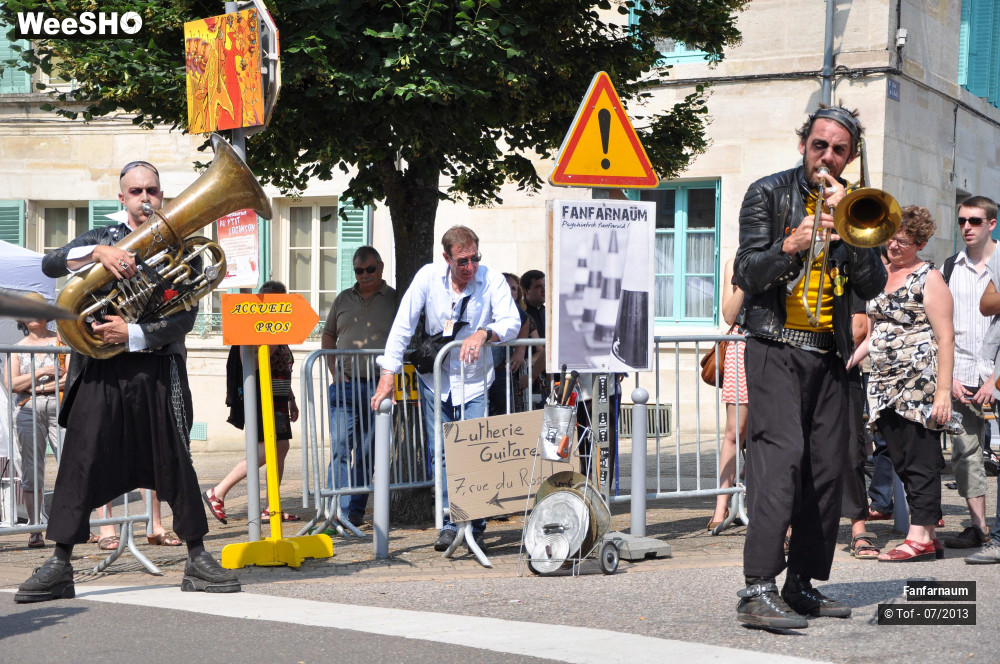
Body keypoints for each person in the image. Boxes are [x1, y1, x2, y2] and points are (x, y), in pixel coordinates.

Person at [15, 159, 239, 604]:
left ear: (161, 195)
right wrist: (99, 255)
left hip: (156, 367)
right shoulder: (102, 236)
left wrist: (132, 332)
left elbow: (185, 317)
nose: (144, 199)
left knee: (175, 457)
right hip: (101, 370)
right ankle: (60, 562)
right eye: (135, 192)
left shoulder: (180, 248)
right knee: (80, 457)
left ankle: (196, 555)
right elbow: (50, 263)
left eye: (151, 191)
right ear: (122, 198)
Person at [732, 104, 887, 629]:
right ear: (804, 145)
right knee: (781, 462)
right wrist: (790, 243)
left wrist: (854, 232)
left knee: (826, 470)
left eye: (838, 149)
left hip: (830, 354)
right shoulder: (767, 193)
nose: (827, 156)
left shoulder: (854, 205)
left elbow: (871, 286)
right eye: (819, 145)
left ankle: (801, 584)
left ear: (850, 157)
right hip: (775, 347)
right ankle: (757, 588)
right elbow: (747, 271)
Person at [370, 226, 520, 552]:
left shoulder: (491, 280)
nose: (470, 267)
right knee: (440, 453)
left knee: (474, 455)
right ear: (446, 258)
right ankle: (452, 521)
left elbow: (512, 321)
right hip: (436, 382)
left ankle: (473, 525)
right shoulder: (427, 277)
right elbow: (403, 325)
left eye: (475, 259)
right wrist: (388, 374)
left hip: (475, 383)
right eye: (462, 261)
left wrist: (485, 333)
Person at [847, 206, 959, 563]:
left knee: (920, 457)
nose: (894, 246)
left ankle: (919, 536)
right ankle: (927, 534)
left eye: (904, 242)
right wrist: (852, 356)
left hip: (919, 382)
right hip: (883, 382)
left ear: (921, 244)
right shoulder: (879, 273)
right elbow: (877, 326)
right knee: (899, 457)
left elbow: (946, 337)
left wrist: (943, 392)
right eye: (891, 238)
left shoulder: (929, 277)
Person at [205, 281, 300, 525]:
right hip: (259, 398)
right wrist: (272, 342)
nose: (278, 306)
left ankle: (272, 506)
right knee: (264, 450)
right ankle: (218, 491)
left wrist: (291, 398)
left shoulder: (279, 327)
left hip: (278, 398)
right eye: (272, 301)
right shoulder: (254, 328)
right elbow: (252, 364)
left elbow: (282, 367)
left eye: (281, 302)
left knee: (280, 448)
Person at [320, 247, 397, 528]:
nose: (364, 275)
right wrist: (334, 369)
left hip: (379, 389)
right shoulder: (343, 298)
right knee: (340, 448)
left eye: (370, 270)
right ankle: (335, 513)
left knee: (367, 453)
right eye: (358, 270)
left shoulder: (395, 299)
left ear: (381, 266)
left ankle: (354, 512)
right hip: (345, 386)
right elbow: (328, 335)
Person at [940, 195, 996, 550]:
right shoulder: (950, 267)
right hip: (961, 373)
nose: (967, 228)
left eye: (975, 221)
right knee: (964, 453)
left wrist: (996, 379)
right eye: (962, 220)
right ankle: (980, 528)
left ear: (992, 223)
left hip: (996, 372)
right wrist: (949, 378)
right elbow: (940, 325)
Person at [5, 294, 65, 548]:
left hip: (61, 407)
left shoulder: (61, 341)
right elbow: (10, 384)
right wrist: (41, 372)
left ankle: (70, 524)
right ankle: (35, 527)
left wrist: (34, 387)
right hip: (27, 409)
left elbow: (68, 377)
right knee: (32, 469)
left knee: (70, 464)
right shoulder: (17, 347)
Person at [708, 257, 747, 532]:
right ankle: (721, 505)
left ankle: (765, 504)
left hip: (778, 346)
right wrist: (748, 279)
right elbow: (728, 315)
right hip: (741, 346)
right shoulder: (735, 262)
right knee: (734, 432)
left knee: (770, 433)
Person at [487, 273, 539, 416]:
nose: (509, 292)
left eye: (513, 288)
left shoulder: (516, 311)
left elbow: (525, 321)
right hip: (477, 372)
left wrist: (520, 351)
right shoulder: (486, 301)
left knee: (502, 416)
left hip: (501, 371)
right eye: (505, 287)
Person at [520, 269, 545, 339]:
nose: (544, 290)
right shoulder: (521, 314)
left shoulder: (553, 314)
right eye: (538, 286)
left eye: (545, 285)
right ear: (526, 291)